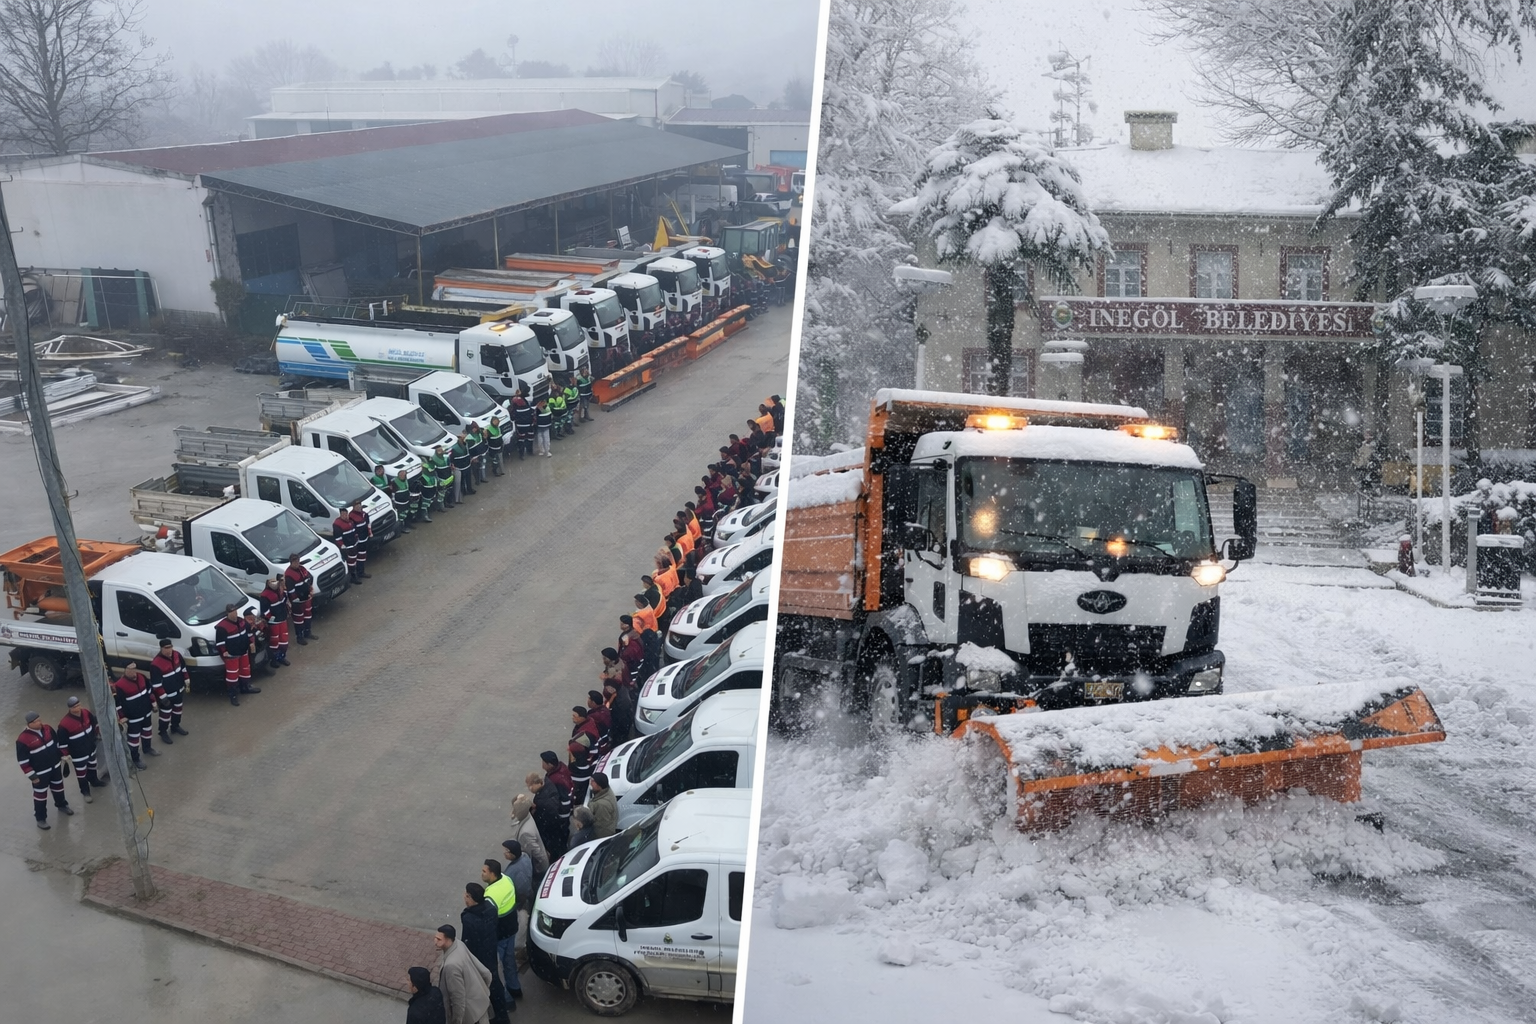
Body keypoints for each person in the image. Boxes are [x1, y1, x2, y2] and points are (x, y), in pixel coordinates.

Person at [461, 879, 510, 1024]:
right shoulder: (490, 909)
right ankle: (502, 1014)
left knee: (479, 988)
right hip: (490, 952)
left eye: (466, 895)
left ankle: (487, 1017)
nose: (464, 896)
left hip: (478, 957)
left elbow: (467, 942)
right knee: (494, 982)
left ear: (470, 898)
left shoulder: (469, 918)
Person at [17, 711, 72, 828]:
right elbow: (23, 761)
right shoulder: (22, 739)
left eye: (39, 720)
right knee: (40, 796)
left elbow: (57, 744)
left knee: (58, 788)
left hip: (55, 767)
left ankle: (62, 805)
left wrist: (62, 755)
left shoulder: (48, 729)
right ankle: (40, 818)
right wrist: (32, 776)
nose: (39, 723)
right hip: (40, 774)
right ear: (29, 724)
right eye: (36, 721)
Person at [480, 860, 521, 1009]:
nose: (481, 873)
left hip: (500, 935)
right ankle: (515, 988)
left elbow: (489, 919)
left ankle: (507, 1000)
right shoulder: (506, 879)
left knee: (495, 970)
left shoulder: (490, 895)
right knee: (509, 962)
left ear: (492, 874)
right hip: (511, 929)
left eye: (484, 871)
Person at [433, 924, 492, 1024]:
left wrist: (456, 1021)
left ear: (448, 940)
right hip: (480, 1004)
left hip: (471, 1015)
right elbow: (486, 973)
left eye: (439, 939)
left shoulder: (451, 966)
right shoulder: (459, 944)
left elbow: (458, 999)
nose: (435, 942)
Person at [57, 696, 106, 803]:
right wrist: (64, 755)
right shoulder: (64, 724)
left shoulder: (86, 713)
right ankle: (85, 792)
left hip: (90, 748)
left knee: (93, 766)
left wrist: (97, 734)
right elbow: (62, 742)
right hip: (77, 754)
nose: (78, 708)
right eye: (75, 707)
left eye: (78, 705)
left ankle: (94, 781)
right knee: (81, 774)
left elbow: (94, 724)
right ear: (70, 708)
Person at [111, 663, 156, 766]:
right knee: (133, 740)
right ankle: (135, 759)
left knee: (147, 733)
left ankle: (147, 748)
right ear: (125, 670)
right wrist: (122, 717)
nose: (133, 671)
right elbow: (117, 704)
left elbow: (149, 691)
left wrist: (153, 703)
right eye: (130, 669)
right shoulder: (119, 685)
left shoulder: (142, 677)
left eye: (134, 669)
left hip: (146, 713)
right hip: (133, 718)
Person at [149, 638, 193, 744]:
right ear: (161, 649)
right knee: (165, 715)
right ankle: (163, 732)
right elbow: (156, 684)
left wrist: (186, 679)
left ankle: (175, 726)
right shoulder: (156, 664)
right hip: (166, 696)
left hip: (179, 690)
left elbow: (183, 668)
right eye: (166, 648)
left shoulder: (177, 655)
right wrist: (163, 698)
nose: (169, 650)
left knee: (178, 710)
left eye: (170, 647)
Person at [213, 604, 259, 705]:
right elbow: (220, 643)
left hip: (243, 652)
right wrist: (225, 652)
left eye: (235, 611)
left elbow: (249, 632)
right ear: (227, 613)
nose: (234, 614)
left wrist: (251, 642)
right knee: (232, 676)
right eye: (231, 612)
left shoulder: (242, 621)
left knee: (245, 671)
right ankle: (233, 695)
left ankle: (245, 687)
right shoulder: (222, 627)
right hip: (232, 655)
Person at [524, 773, 567, 860]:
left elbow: (549, 816)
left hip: (551, 830)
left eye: (530, 786)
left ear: (537, 783)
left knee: (554, 848)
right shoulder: (547, 786)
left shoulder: (544, 801)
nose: (530, 789)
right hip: (553, 828)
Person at [500, 840, 535, 945]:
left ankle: (519, 948)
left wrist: (517, 904)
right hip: (522, 899)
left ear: (512, 854)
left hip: (520, 903)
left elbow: (523, 890)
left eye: (506, 851)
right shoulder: (524, 857)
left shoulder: (518, 871)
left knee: (521, 927)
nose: (504, 853)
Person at [507, 802, 549, 879]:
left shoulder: (525, 833)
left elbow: (537, 853)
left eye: (514, 810)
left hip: (536, 868)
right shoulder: (527, 816)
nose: (512, 812)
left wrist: (540, 869)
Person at [257, 578, 291, 667]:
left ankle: (282, 657)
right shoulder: (265, 595)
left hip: (282, 619)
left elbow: (284, 601)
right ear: (268, 583)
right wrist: (271, 618)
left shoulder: (280, 592)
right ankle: (274, 660)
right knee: (274, 641)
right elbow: (264, 611)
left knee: (284, 640)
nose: (274, 583)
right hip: (274, 623)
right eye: (271, 581)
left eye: (274, 581)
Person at [567, 706, 597, 805]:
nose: (572, 718)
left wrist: (583, 761)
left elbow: (594, 750)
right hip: (580, 771)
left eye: (574, 716)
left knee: (579, 794)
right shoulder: (584, 726)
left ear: (582, 718)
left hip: (580, 774)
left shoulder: (587, 733)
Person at [284, 553, 316, 646]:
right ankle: (300, 637)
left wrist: (310, 590)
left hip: (306, 598)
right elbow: (291, 590)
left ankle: (308, 632)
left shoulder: (302, 569)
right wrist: (296, 600)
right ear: (291, 562)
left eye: (297, 560)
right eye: (294, 561)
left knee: (308, 616)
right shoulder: (289, 575)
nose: (297, 563)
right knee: (299, 620)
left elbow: (308, 579)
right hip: (298, 602)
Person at [541, 751, 574, 835]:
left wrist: (562, 815)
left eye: (543, 762)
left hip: (562, 812)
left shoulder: (556, 780)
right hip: (564, 809)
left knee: (562, 830)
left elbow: (565, 798)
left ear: (550, 765)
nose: (542, 764)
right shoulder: (561, 767)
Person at [603, 679, 634, 747]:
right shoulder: (620, 690)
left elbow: (609, 709)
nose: (606, 689)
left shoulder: (621, 701)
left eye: (607, 688)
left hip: (621, 723)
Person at [587, 772, 618, 839]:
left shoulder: (601, 805)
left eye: (593, 781)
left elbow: (601, 827)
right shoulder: (606, 790)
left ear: (599, 786)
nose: (590, 783)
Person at [332, 506, 358, 583]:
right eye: (343, 514)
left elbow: (354, 531)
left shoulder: (350, 521)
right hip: (347, 547)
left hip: (354, 544)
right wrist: (343, 546)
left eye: (346, 514)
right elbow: (338, 538)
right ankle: (352, 578)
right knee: (350, 563)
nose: (345, 515)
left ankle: (354, 575)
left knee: (354, 561)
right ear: (340, 514)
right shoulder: (337, 524)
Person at [349, 501, 375, 573]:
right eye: (356, 506)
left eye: (359, 505)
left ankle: (361, 571)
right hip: (358, 541)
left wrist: (370, 533)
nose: (358, 507)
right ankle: (358, 573)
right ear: (353, 507)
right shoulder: (351, 517)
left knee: (362, 556)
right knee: (358, 557)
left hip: (364, 538)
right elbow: (352, 529)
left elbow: (368, 524)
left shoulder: (364, 514)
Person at [585, 690, 612, 757]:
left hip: (601, 743)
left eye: (589, 699)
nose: (587, 701)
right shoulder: (604, 710)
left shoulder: (594, 716)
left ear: (593, 702)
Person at [510, 390, 535, 461]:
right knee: (529, 439)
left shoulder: (514, 409)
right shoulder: (526, 405)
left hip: (521, 427)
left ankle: (522, 454)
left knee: (521, 440)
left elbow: (512, 418)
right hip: (529, 425)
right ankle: (529, 451)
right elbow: (531, 413)